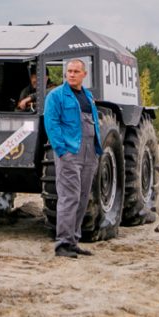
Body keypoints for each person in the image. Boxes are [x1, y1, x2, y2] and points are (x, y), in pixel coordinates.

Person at [44, 58, 99, 258]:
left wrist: (96, 148)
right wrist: (62, 151)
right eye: (69, 71)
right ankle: (63, 244)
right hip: (70, 152)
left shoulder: (88, 97)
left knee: (83, 197)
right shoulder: (56, 96)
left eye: (76, 71)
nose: (72, 74)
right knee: (69, 197)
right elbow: (51, 124)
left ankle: (73, 240)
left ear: (84, 74)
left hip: (89, 152)